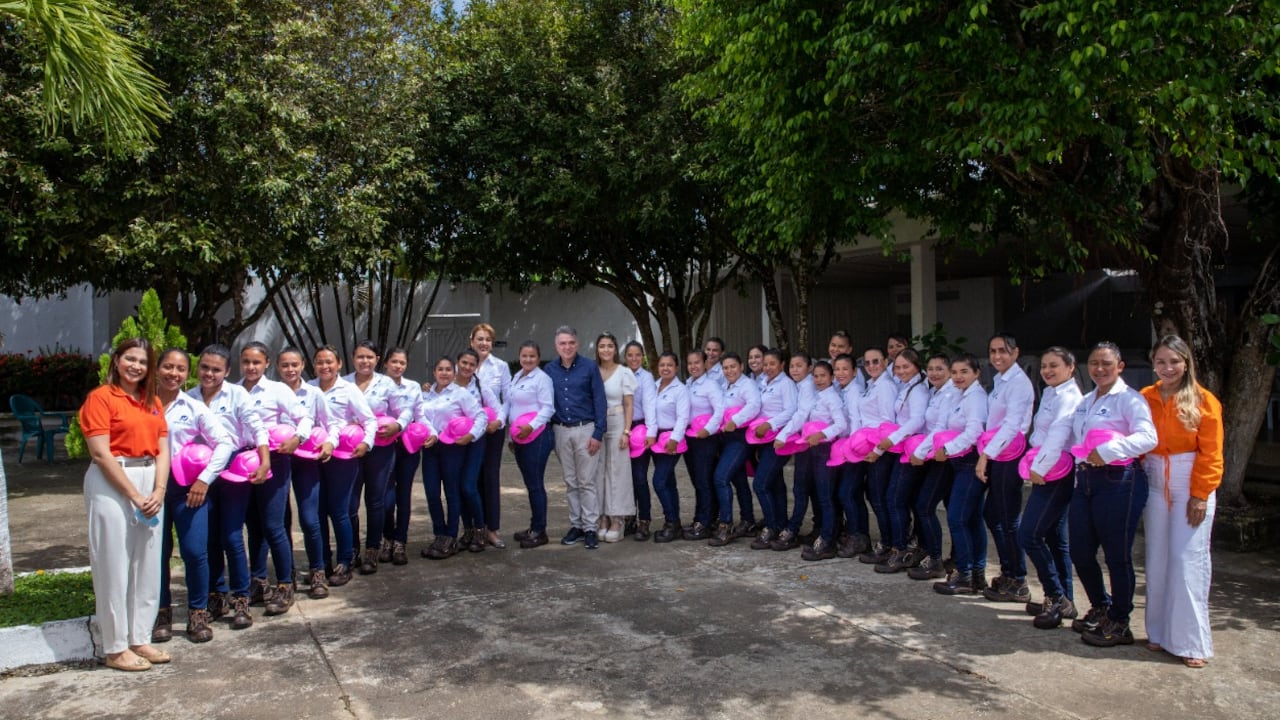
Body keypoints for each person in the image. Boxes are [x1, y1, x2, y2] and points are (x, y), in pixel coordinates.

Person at [80, 338, 171, 671]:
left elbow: (163, 447)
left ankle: (139, 638)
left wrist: (159, 489)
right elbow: (100, 453)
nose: (136, 366)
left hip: (150, 481)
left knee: (147, 564)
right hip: (113, 482)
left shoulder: (152, 402)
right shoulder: (101, 398)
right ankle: (116, 647)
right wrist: (134, 495)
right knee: (113, 564)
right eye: (130, 359)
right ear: (116, 361)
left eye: (143, 361)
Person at [1141, 335, 1222, 667]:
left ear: (1186, 362)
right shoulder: (1145, 396)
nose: (1167, 368)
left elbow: (1212, 453)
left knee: (1187, 560)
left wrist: (1200, 494)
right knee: (1157, 558)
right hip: (1155, 479)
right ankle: (1159, 633)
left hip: (1190, 480)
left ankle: (1192, 643)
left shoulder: (1203, 400)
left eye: (1173, 361)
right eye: (1161, 362)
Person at [1070, 342, 1157, 647]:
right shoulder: (1086, 400)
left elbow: (1148, 437)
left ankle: (1120, 621)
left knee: (1116, 556)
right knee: (1079, 550)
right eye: (1093, 363)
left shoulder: (1130, 400)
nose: (1099, 369)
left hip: (1120, 481)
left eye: (1106, 363)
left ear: (1120, 366)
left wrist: (1108, 451)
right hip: (1086, 481)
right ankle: (1101, 605)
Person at [153, 348, 234, 645]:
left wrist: (204, 479)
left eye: (180, 369)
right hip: (148, 490)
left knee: (194, 551)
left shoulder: (194, 407)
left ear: (187, 374)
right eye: (168, 367)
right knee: (156, 553)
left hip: (186, 489)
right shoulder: (141, 404)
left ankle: (197, 613)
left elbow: (224, 442)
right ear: (157, 368)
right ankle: (161, 612)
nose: (173, 373)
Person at [194, 344, 268, 630]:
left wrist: (264, 461)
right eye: (205, 368)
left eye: (216, 369)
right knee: (210, 536)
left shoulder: (237, 394)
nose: (209, 373)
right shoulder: (189, 398)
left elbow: (257, 427)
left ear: (226, 372)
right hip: (201, 471)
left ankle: (241, 599)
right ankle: (216, 595)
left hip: (233, 469)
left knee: (231, 535)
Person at [239, 341, 312, 613]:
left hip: (274, 460)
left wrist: (297, 438)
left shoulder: (277, 389)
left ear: (267, 363)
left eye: (256, 362)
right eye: (246, 362)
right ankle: (258, 581)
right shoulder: (234, 390)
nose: (251, 367)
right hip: (243, 462)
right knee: (254, 526)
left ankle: (284, 584)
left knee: (273, 525)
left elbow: (304, 418)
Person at [1018, 347, 1084, 628]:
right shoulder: (1050, 393)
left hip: (1056, 472)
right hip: (1047, 467)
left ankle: (1056, 596)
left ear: (1070, 367)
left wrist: (1038, 470)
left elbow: (1058, 436)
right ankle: (1064, 599)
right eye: (1044, 365)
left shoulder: (1069, 397)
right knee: (1056, 538)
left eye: (1054, 366)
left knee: (1028, 534)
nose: (1047, 371)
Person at [913, 353, 989, 595]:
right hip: (958, 461)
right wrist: (926, 449)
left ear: (976, 373)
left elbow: (974, 431)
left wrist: (947, 449)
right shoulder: (959, 395)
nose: (958, 377)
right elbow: (941, 426)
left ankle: (964, 573)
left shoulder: (975, 398)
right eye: (955, 372)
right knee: (972, 519)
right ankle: (977, 574)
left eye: (963, 372)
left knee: (957, 518)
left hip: (970, 461)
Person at [310, 345, 377, 585]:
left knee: (339, 511)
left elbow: (369, 420)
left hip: (342, 459)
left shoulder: (348, 389)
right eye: (320, 362)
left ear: (339, 364)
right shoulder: (308, 388)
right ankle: (322, 562)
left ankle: (345, 561)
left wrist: (366, 444)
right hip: (313, 457)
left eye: (329, 362)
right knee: (317, 513)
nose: (325, 366)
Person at [976, 334, 1035, 603]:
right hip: (998, 452)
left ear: (1015, 352)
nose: (997, 356)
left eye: (1003, 351)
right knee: (993, 515)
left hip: (1009, 454)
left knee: (1008, 519)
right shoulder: (1001, 380)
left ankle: (1018, 579)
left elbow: (1012, 425)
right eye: (992, 351)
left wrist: (985, 455)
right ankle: (1009, 570)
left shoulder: (1019, 383)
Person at [346, 340, 412, 573]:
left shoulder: (386, 384)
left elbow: (405, 410)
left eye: (370, 357)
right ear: (353, 359)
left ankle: (372, 550)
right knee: (350, 503)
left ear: (376, 360)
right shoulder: (343, 383)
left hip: (381, 448)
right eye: (360, 357)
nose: (365, 361)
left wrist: (398, 426)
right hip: (349, 450)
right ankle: (351, 549)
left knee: (375, 501)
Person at [276, 347, 333, 598]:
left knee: (310, 519)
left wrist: (330, 442)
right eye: (285, 365)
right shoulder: (270, 392)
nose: (290, 369)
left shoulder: (313, 393)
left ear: (302, 366)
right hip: (277, 460)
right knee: (280, 521)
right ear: (277, 367)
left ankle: (318, 571)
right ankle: (286, 576)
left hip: (306, 460)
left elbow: (330, 424)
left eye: (294, 365)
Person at [778, 360, 847, 560]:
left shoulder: (832, 398)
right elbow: (801, 416)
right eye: (816, 376)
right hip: (807, 448)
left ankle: (827, 540)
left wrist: (822, 435)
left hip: (823, 449)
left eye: (823, 376)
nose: (818, 379)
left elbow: (841, 424)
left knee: (825, 496)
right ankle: (796, 529)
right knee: (802, 489)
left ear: (832, 378)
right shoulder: (814, 396)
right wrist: (785, 435)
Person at [546, 326, 608, 549]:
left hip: (585, 430)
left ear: (577, 343)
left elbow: (600, 401)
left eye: (571, 342)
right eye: (563, 343)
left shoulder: (589, 367)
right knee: (570, 482)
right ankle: (577, 525)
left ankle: (590, 527)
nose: (567, 347)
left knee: (586, 482)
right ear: (556, 345)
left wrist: (598, 433)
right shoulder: (549, 370)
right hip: (561, 430)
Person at [419, 356, 483, 559]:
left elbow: (480, 415)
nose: (444, 373)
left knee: (451, 492)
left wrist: (471, 435)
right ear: (434, 372)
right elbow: (419, 417)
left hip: (452, 448)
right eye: (440, 369)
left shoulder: (460, 394)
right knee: (431, 493)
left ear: (454, 373)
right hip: (430, 448)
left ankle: (451, 536)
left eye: (448, 369)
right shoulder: (426, 395)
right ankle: (440, 533)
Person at [872, 348, 929, 572]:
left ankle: (901, 549)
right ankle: (901, 547)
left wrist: (891, 439)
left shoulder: (919, 391)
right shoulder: (907, 386)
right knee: (894, 499)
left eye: (907, 366)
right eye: (898, 367)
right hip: (902, 448)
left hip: (912, 448)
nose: (902, 370)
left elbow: (916, 420)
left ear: (916, 366)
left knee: (895, 500)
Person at [906, 353, 958, 581]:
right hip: (932, 455)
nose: (935, 373)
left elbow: (939, 428)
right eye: (931, 369)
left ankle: (935, 559)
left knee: (925, 506)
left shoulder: (951, 393)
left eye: (940, 369)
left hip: (943, 457)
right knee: (930, 506)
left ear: (949, 371)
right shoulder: (935, 392)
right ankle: (944, 557)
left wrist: (919, 452)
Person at [844, 347, 898, 563]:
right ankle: (885, 541)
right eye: (867, 363)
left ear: (885, 361)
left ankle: (888, 543)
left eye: (876, 361)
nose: (872, 366)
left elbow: (887, 423)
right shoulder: (871, 384)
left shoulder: (885, 386)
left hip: (880, 450)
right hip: (868, 449)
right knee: (872, 495)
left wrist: (876, 451)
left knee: (879, 497)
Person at [709, 352, 761, 545]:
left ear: (740, 366)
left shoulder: (747, 385)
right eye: (725, 367)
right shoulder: (724, 385)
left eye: (732, 366)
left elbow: (755, 405)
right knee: (739, 480)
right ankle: (748, 521)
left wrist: (735, 420)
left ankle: (726, 525)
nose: (729, 370)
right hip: (724, 437)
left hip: (740, 437)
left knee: (721, 477)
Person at [508, 341, 556, 548]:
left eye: (532, 356)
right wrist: (513, 438)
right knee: (530, 484)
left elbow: (548, 409)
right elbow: (513, 407)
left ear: (538, 358)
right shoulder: (517, 376)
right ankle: (533, 526)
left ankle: (540, 531)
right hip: (520, 439)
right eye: (524, 356)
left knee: (535, 484)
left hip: (537, 438)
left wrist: (530, 426)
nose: (528, 360)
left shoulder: (542, 379)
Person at [749, 349, 797, 549]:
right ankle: (780, 523)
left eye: (772, 364)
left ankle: (771, 526)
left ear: (782, 364)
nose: (768, 367)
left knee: (760, 484)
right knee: (775, 484)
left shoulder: (786, 384)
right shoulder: (763, 383)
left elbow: (791, 410)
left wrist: (770, 425)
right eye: (765, 364)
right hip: (763, 439)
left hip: (778, 439)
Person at [471, 323, 512, 549]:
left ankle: (492, 529)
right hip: (470, 430)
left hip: (494, 429)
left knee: (490, 476)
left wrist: (500, 420)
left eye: (488, 339)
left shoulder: (501, 366)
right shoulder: (464, 364)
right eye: (480, 339)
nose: (484, 343)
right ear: (471, 341)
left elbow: (508, 398)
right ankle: (475, 528)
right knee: (471, 479)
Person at [455, 348, 499, 552]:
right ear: (457, 362)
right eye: (464, 362)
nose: (467, 367)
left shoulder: (481, 387)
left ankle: (480, 528)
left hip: (475, 443)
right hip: (453, 444)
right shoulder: (446, 384)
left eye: (471, 364)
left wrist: (495, 423)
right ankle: (468, 531)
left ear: (476, 367)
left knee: (468, 487)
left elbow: (498, 410)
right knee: (458, 488)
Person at [381, 347, 422, 565]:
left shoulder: (413, 386)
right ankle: (386, 538)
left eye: (402, 363)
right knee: (386, 496)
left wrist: (430, 433)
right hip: (383, 446)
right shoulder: (376, 385)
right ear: (386, 363)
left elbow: (419, 414)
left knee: (403, 494)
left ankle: (400, 542)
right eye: (394, 362)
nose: (398, 366)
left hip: (408, 446)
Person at [772, 352, 816, 550]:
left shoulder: (808, 387)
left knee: (801, 488)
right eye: (792, 366)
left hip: (811, 444)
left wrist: (783, 434)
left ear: (809, 368)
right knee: (806, 489)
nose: (795, 369)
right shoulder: (799, 386)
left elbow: (801, 414)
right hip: (804, 443)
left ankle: (793, 529)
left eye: (799, 366)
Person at [596, 333, 637, 542]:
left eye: (610, 346)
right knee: (599, 471)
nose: (605, 350)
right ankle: (602, 516)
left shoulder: (624, 372)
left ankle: (617, 518)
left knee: (617, 471)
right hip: (597, 426)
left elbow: (629, 404)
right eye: (602, 346)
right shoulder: (593, 371)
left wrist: (626, 431)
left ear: (615, 349)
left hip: (618, 421)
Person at [647, 352, 691, 542]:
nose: (665, 368)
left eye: (670, 365)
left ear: (676, 368)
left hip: (672, 439)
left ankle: (671, 522)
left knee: (659, 481)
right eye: (662, 365)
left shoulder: (680, 390)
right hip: (657, 439)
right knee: (669, 482)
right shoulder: (654, 386)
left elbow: (683, 417)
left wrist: (674, 438)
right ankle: (675, 524)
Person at [683, 348, 725, 540]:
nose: (693, 366)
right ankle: (700, 518)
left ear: (705, 363)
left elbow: (720, 411)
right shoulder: (688, 384)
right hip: (690, 438)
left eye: (697, 362)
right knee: (696, 481)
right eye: (690, 363)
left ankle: (706, 522)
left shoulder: (711, 385)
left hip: (706, 439)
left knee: (703, 480)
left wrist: (708, 430)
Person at [624, 341, 658, 540]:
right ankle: (629, 517)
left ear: (643, 356)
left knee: (639, 477)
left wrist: (650, 433)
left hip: (640, 430)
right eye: (630, 355)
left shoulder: (646, 378)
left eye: (637, 355)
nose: (634, 358)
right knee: (625, 480)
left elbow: (649, 406)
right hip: (623, 430)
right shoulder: (620, 374)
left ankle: (644, 520)